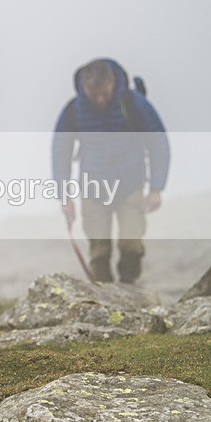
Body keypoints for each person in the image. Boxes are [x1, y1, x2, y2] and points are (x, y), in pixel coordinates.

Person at [52, 58, 170, 283]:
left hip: (130, 185)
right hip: (93, 189)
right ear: (84, 86)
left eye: (104, 92)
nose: (99, 98)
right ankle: (104, 293)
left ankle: (129, 287)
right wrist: (64, 196)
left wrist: (156, 188)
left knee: (131, 245)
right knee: (99, 251)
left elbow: (158, 142)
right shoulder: (74, 110)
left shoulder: (133, 103)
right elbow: (60, 151)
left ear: (112, 82)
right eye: (93, 92)